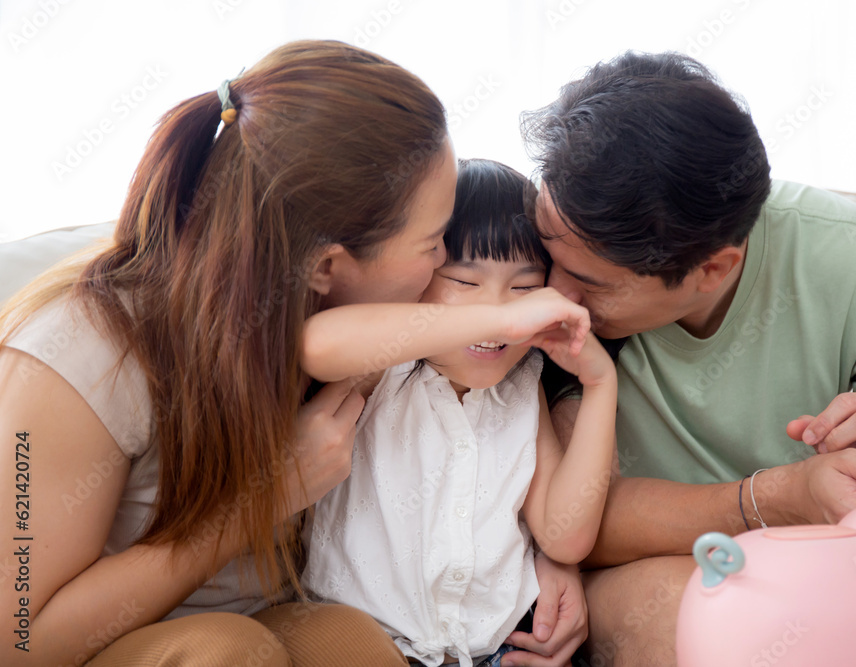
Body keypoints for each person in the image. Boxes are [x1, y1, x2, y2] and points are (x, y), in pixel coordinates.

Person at [0, 41, 586, 667]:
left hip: (277, 620)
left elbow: (473, 461)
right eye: (434, 243)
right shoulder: (80, 354)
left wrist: (540, 562)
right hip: (125, 647)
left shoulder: (348, 331)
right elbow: (20, 640)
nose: (447, 266)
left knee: (348, 641)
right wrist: (259, 502)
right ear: (327, 264)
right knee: (229, 652)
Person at [520, 51, 856, 666]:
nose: (552, 295)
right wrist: (774, 499)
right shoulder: (531, 280)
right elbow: (575, 528)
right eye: (550, 254)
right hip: (676, 566)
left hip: (848, 562)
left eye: (592, 282)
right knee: (693, 615)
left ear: (713, 267)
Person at [298, 159, 618, 667]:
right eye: (465, 283)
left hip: (492, 653)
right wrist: (498, 316)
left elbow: (566, 534)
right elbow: (317, 342)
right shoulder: (387, 369)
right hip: (361, 646)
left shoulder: (522, 385)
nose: (502, 318)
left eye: (523, 288)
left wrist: (600, 386)